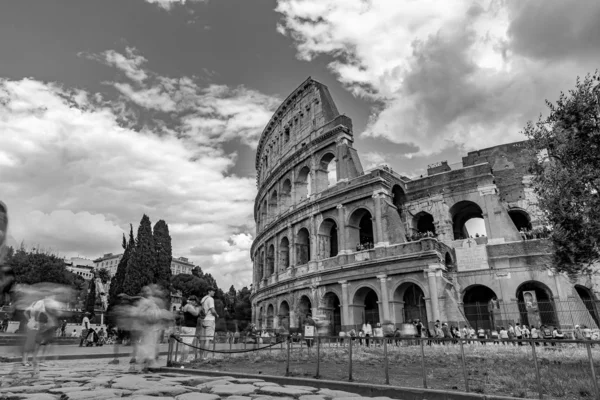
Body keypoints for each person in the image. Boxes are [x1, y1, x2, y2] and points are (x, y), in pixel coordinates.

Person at [198, 287, 219, 359]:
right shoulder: (210, 299)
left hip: (203, 320)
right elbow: (212, 310)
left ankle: (200, 357)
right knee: (208, 340)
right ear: (209, 291)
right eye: (213, 291)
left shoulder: (203, 299)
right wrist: (217, 315)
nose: (214, 292)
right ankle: (205, 357)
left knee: (202, 340)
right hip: (210, 320)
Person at [179, 295, 200, 363]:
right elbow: (196, 313)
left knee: (183, 344)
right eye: (195, 302)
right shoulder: (189, 306)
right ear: (193, 301)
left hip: (184, 327)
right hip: (190, 327)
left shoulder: (185, 306)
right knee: (187, 344)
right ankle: (185, 359)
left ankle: (181, 359)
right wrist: (198, 308)